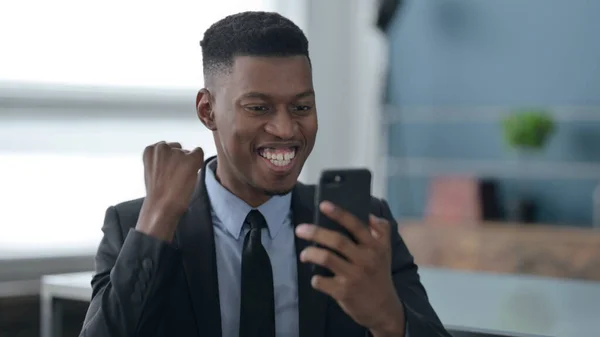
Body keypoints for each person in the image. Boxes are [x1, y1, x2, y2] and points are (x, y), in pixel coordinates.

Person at [79, 11, 450, 337]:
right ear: (208, 111)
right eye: (259, 107)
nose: (286, 129)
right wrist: (157, 220)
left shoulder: (366, 226)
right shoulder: (133, 225)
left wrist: (388, 319)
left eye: (302, 106)